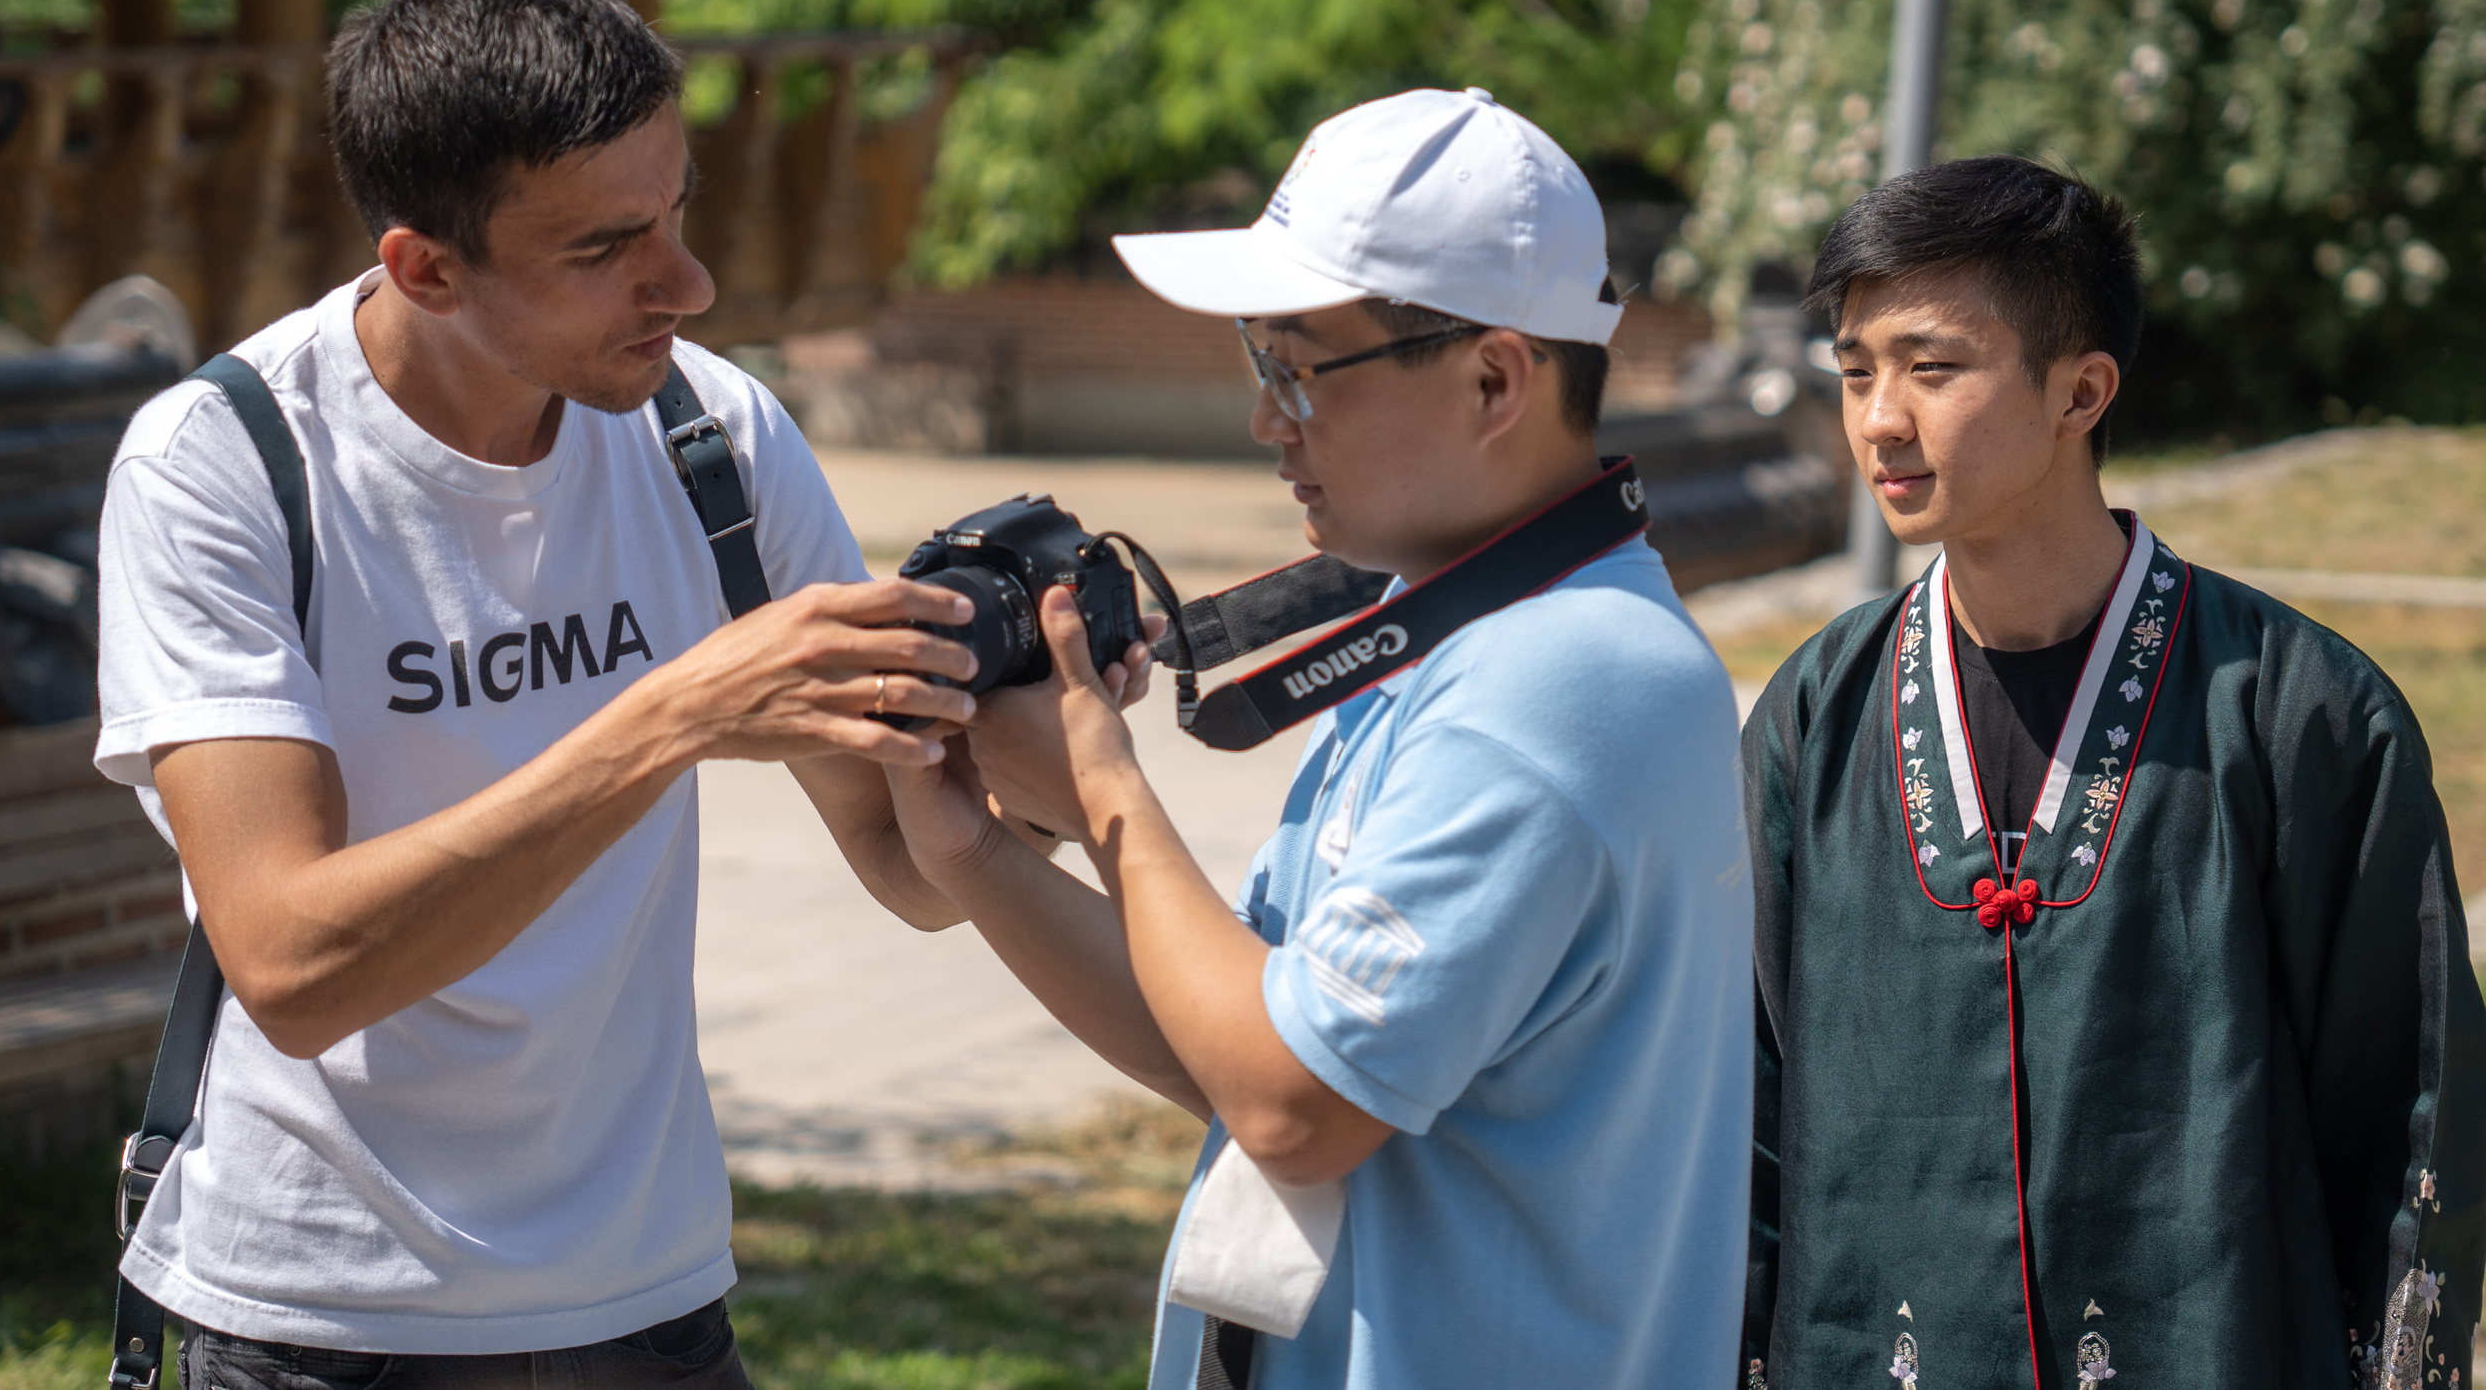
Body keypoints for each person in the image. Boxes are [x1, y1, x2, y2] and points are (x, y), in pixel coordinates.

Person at [97, 0, 988, 1386]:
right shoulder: (230, 465)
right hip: (327, 1317)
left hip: (648, 1297)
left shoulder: (713, 434)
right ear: (424, 266)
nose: (685, 284)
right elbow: (295, 964)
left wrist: (1043, 748)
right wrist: (672, 716)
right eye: (604, 248)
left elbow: (904, 857)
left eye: (677, 209)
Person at [882, 86, 1757, 1390]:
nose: (1266, 420)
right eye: (1258, 361)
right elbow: (1242, 1047)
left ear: (1492, 376)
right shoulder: (1478, 632)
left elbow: (1294, 1106)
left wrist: (1104, 789)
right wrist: (978, 850)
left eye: (1298, 369)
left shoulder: (1549, 682)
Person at [1739, 156, 2486, 1389]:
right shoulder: (1817, 715)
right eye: (1855, 370)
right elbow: (1750, 1109)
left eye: (1932, 368)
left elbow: (2404, 1110)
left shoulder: (2299, 712)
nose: (1879, 418)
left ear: (2080, 390)